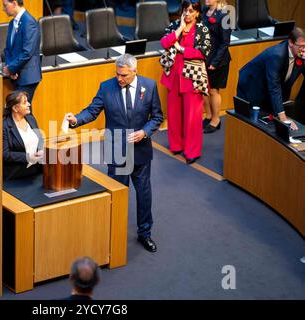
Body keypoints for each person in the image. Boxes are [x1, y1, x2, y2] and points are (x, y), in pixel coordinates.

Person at [66, 54, 163, 253]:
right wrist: (75, 120)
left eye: (124, 75)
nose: (120, 79)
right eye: (118, 74)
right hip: (116, 151)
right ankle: (113, 233)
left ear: (135, 71)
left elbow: (157, 116)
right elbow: (92, 111)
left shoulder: (150, 86)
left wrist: (144, 132)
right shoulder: (106, 87)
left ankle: (145, 233)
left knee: (144, 194)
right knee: (117, 194)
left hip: (140, 152)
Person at [160, 0, 211, 165]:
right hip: (174, 75)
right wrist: (180, 28)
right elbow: (165, 43)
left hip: (192, 77)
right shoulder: (175, 25)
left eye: (191, 11)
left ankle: (192, 151)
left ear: (197, 13)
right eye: (185, 10)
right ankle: (176, 145)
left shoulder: (202, 29)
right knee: (173, 113)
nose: (187, 14)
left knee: (192, 116)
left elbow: (203, 51)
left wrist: (182, 49)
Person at [237, 27, 305, 131]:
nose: (304, 50)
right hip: (252, 86)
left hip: (268, 88)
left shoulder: (301, 54)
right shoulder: (277, 55)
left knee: (271, 123)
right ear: (291, 42)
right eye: (301, 46)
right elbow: (274, 87)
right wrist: (283, 118)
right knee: (251, 125)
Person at [2, 0, 42, 104]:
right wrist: (10, 68)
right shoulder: (12, 23)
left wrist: (11, 68)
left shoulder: (29, 22)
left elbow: (27, 52)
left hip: (27, 77)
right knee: (21, 113)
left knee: (20, 112)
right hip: (16, 75)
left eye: (5, 5)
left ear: (14, 3)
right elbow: (8, 49)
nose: (3, 9)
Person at [202, 0, 231, 134]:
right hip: (204, 58)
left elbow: (225, 42)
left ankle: (215, 120)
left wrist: (215, 62)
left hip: (218, 59)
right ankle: (208, 116)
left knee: (213, 90)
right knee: (204, 90)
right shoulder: (204, 11)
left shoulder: (225, 14)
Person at [3, 91, 44, 181]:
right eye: (25, 102)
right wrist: (27, 157)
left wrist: (41, 150)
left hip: (38, 170)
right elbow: (5, 154)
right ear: (15, 108)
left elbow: (40, 138)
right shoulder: (4, 127)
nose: (29, 104)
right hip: (17, 175)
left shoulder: (31, 119)